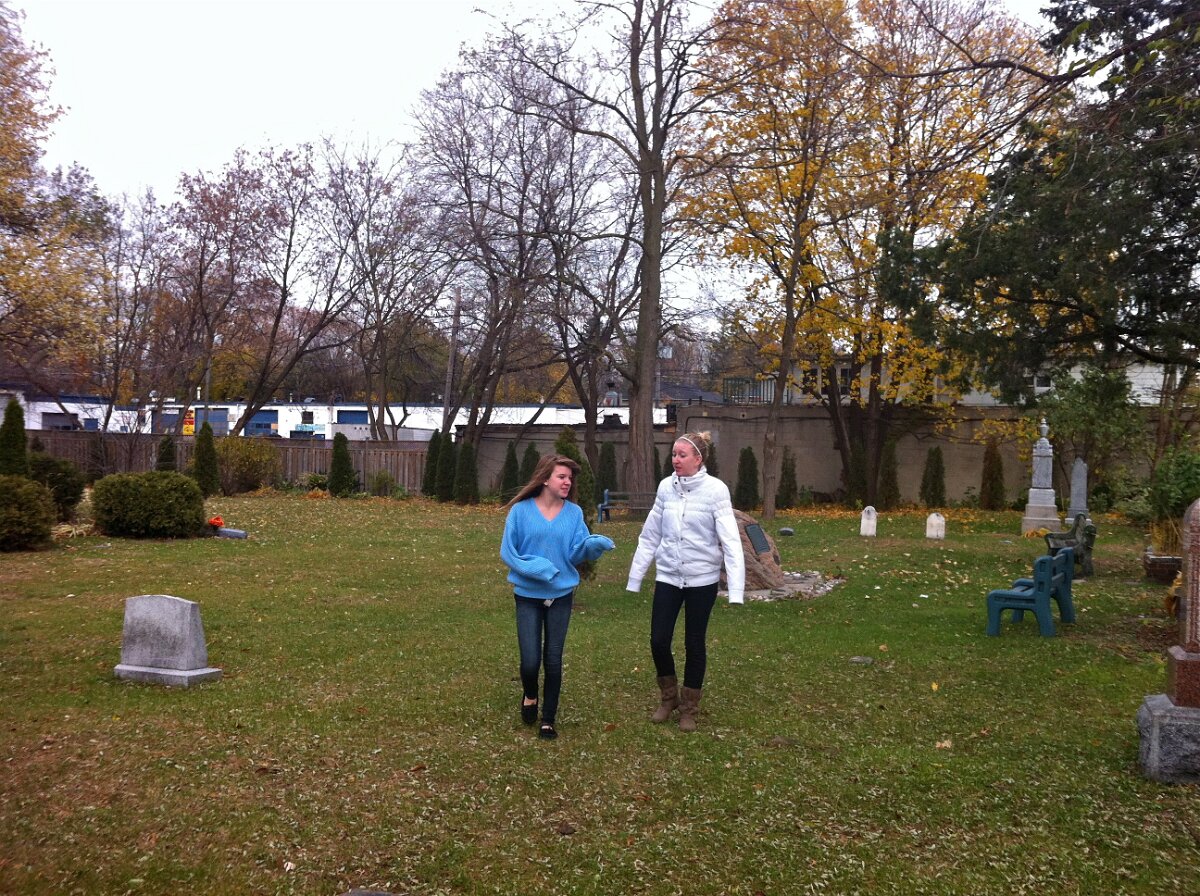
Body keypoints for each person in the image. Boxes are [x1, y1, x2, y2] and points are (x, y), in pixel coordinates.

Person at [626, 431, 745, 732]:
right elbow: (650, 535)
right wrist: (635, 577)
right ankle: (669, 698)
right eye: (674, 454)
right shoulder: (666, 488)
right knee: (658, 640)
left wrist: (736, 589)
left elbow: (730, 541)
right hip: (668, 575)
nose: (675, 460)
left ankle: (689, 707)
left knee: (694, 642)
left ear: (698, 459)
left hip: (702, 580)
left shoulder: (716, 490)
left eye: (682, 455)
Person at [501, 454, 615, 740]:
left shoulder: (574, 513)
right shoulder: (520, 512)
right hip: (528, 595)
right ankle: (530, 694)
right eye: (561, 476)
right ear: (545, 479)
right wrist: (539, 568)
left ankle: (548, 719)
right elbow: (509, 553)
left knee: (553, 659)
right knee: (530, 661)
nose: (568, 482)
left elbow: (575, 554)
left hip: (561, 595)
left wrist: (592, 547)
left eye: (569, 478)